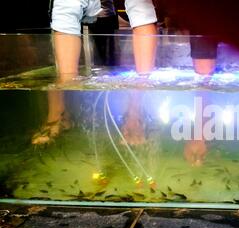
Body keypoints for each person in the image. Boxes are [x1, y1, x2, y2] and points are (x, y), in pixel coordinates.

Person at [32, 0, 158, 145]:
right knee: (66, 9)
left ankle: (135, 115)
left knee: (139, 9)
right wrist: (66, 83)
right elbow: (65, 16)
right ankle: (58, 115)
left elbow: (143, 16)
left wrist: (136, 109)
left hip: (109, 16)